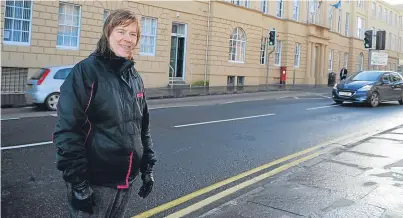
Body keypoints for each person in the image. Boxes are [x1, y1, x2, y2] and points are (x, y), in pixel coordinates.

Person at [53, 9, 157, 217]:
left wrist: (147, 168)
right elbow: (68, 131)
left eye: (133, 34)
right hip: (95, 182)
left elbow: (142, 128)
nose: (127, 39)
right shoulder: (86, 72)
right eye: (121, 31)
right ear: (108, 32)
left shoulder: (134, 77)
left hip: (126, 180)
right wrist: (79, 184)